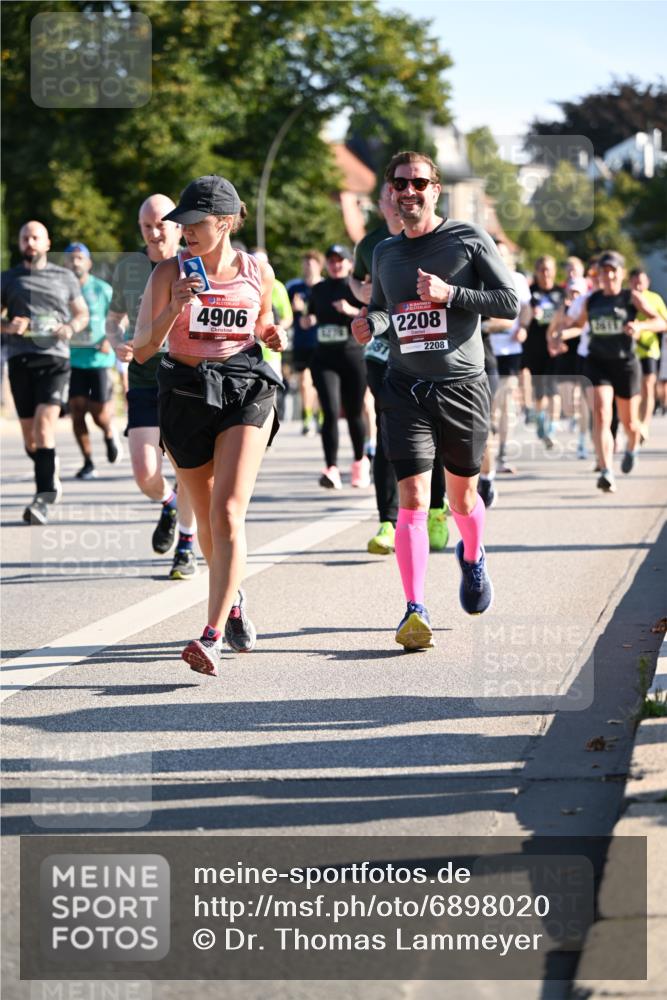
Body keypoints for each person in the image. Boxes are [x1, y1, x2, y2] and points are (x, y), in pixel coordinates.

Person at [351, 151, 518, 650]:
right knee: (414, 500)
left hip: (462, 387)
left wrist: (451, 295)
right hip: (405, 388)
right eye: (400, 183)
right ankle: (414, 608)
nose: (409, 192)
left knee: (464, 497)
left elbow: (509, 303)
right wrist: (370, 324)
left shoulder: (467, 238)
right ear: (391, 191)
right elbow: (386, 310)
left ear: (435, 189)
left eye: (418, 183)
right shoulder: (384, 253)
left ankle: (473, 554)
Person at [133, 174, 286, 676]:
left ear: (223, 223)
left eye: (194, 223)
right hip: (184, 394)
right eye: (182, 223)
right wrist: (174, 306)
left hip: (244, 388)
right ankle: (234, 596)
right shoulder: (166, 275)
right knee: (204, 516)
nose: (185, 231)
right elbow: (143, 351)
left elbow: (260, 322)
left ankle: (211, 635)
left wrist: (271, 333)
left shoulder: (255, 271)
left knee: (226, 512)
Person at [351, 182, 449, 554]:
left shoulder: (435, 237)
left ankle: (437, 508)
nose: (399, 200)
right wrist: (359, 292)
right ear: (383, 202)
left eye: (408, 191)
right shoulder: (370, 244)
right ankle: (387, 523)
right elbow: (357, 285)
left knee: (433, 432)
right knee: (387, 430)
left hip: (423, 347)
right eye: (392, 194)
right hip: (382, 349)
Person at [106, 194, 199, 579]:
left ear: (178, 226)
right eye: (147, 225)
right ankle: (168, 501)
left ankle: (186, 545)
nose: (154, 231)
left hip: (185, 376)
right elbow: (113, 319)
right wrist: (117, 342)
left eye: (161, 223)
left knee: (186, 467)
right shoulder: (129, 268)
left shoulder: (193, 265)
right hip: (144, 378)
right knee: (145, 471)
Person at [1, 221, 89, 524]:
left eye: (35, 237)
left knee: (43, 426)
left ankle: (42, 498)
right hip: (20, 360)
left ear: (47, 243)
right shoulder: (8, 278)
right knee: (31, 439)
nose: (30, 242)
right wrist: (8, 326)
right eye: (25, 237)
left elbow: (82, 315)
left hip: (54, 360)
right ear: (19, 242)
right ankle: (48, 467)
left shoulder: (64, 277)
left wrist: (69, 328)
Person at [557, 251, 664, 493]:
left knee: (630, 422)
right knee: (602, 413)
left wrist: (640, 326)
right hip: (598, 362)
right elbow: (578, 325)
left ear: (621, 273)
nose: (609, 275)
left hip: (625, 364)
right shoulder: (592, 300)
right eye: (604, 271)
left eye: (613, 270)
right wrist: (559, 335)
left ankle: (632, 448)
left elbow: (660, 322)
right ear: (599, 275)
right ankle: (606, 471)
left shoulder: (631, 297)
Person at [303, 244, 369, 490]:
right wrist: (307, 320)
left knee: (353, 413)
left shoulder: (356, 287)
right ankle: (331, 469)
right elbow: (311, 315)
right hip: (324, 359)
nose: (335, 264)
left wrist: (351, 310)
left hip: (353, 356)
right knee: (329, 411)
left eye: (340, 260)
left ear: (349, 263)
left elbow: (372, 314)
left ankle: (359, 463)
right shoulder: (318, 289)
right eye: (331, 260)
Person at [63, 243, 122, 479]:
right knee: (77, 412)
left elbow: (120, 319)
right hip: (72, 360)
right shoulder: (61, 290)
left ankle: (109, 432)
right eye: (71, 258)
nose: (75, 262)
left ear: (88, 263)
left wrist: (111, 339)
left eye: (79, 258)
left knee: (98, 413)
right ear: (65, 264)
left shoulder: (102, 290)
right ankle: (88, 462)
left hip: (99, 359)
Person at [478, 240, 532, 500]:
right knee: (486, 416)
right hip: (479, 353)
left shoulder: (516, 279)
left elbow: (521, 311)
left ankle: (502, 453)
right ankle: (486, 468)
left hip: (507, 350)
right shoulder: (477, 274)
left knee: (505, 403)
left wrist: (522, 327)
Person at [523, 256, 565, 449]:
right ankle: (540, 419)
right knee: (540, 389)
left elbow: (568, 317)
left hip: (555, 347)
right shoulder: (530, 293)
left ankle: (552, 428)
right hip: (534, 346)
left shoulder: (560, 293)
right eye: (541, 270)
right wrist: (532, 315)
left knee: (553, 388)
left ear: (554, 271)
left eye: (548, 269)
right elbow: (521, 315)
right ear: (537, 272)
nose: (545, 273)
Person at [287, 250, 323, 436]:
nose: (307, 266)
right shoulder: (294, 288)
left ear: (319, 265)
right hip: (302, 342)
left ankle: (321, 415)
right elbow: (285, 314)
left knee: (320, 383)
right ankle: (307, 418)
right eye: (305, 262)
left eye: (311, 262)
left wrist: (316, 317)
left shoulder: (325, 287)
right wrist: (296, 311)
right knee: (304, 382)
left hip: (322, 343)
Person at [629, 267, 667, 443]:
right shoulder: (625, 299)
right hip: (628, 351)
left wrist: (643, 327)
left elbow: (664, 323)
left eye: (641, 281)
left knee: (648, 386)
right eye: (635, 281)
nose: (638, 285)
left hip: (649, 349)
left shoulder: (655, 299)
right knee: (634, 390)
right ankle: (634, 422)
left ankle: (644, 424)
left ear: (647, 282)